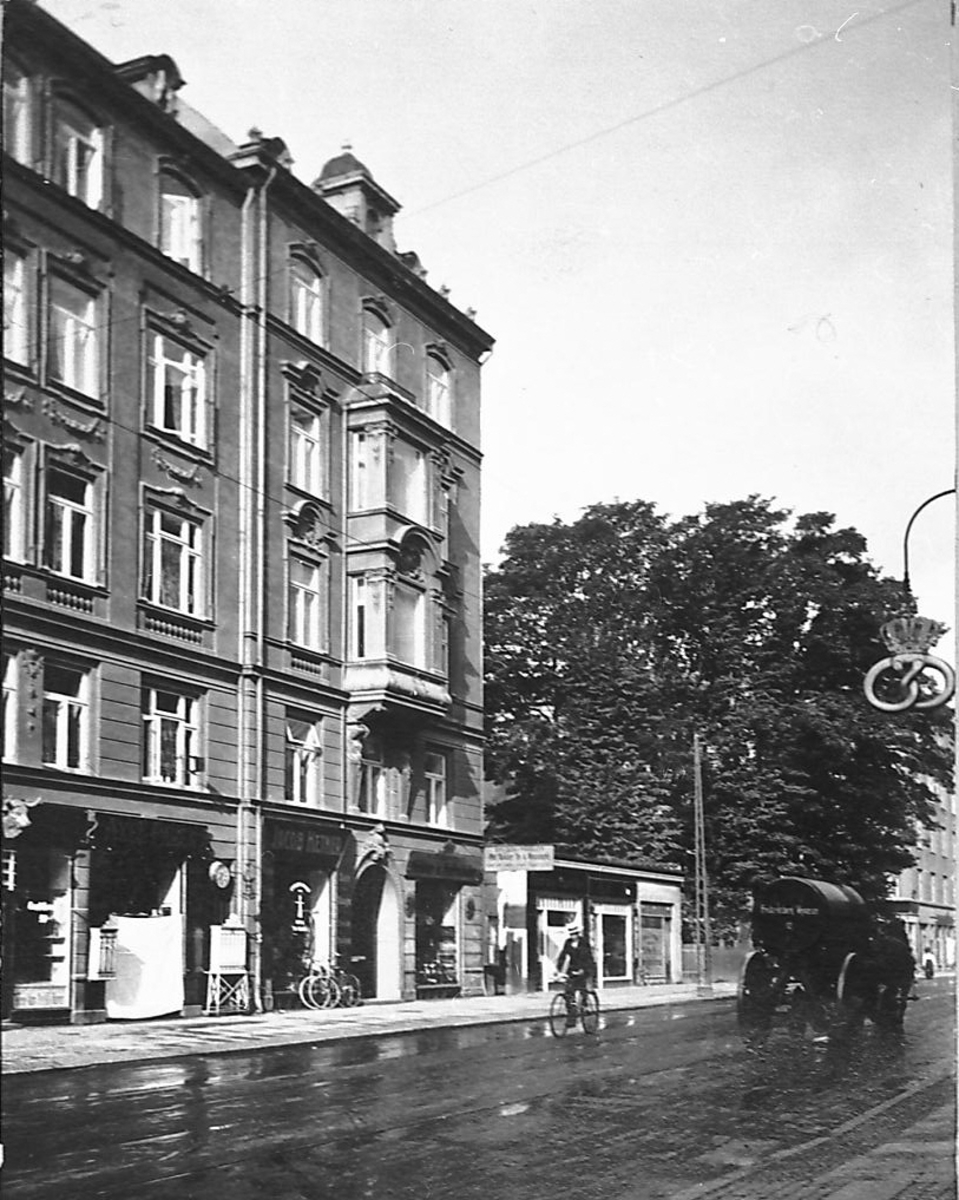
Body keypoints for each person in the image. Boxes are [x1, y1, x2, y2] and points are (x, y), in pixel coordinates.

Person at [555, 924, 596, 1026]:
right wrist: (559, 970)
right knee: (569, 994)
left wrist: (583, 969)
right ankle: (572, 1018)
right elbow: (563, 956)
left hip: (584, 969)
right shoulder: (568, 943)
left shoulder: (584, 943)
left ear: (578, 934)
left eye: (575, 934)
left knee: (582, 988)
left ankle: (584, 1004)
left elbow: (588, 958)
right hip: (572, 970)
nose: (573, 936)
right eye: (571, 934)